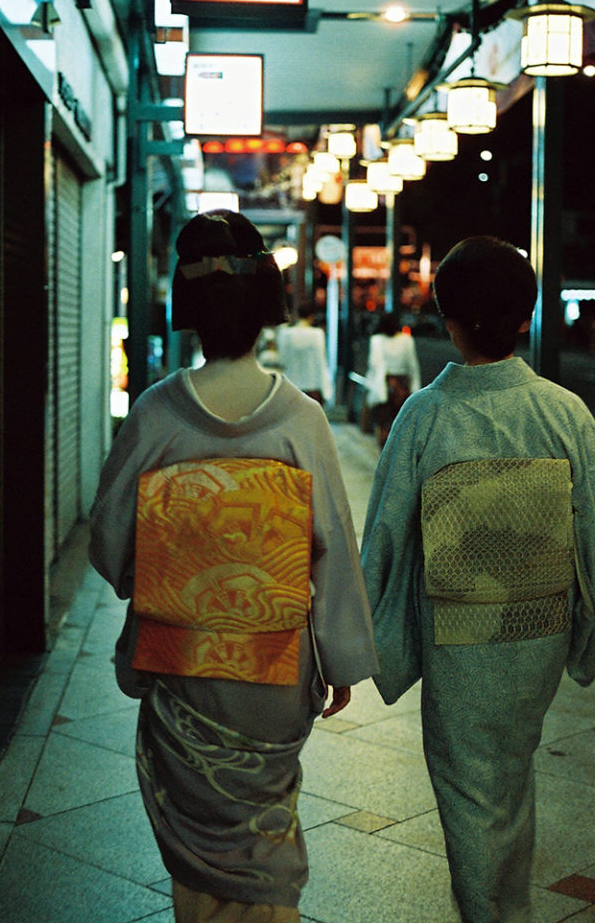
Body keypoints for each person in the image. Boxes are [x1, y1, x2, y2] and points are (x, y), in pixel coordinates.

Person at [89, 209, 378, 923]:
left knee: (195, 840)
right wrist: (339, 659)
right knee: (264, 819)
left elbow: (107, 539)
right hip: (275, 670)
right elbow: (334, 547)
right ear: (264, 312)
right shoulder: (300, 418)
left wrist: (164, 579)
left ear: (187, 313)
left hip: (181, 662)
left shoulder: (157, 414)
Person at [361, 235, 595, 923]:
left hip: (456, 632)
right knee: (510, 768)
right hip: (538, 628)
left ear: (445, 318)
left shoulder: (424, 415)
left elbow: (385, 538)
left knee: (466, 786)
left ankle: (492, 912)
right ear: (525, 319)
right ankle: (505, 904)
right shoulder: (561, 411)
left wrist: (348, 636)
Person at [364, 311, 421, 446]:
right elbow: (413, 366)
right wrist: (415, 389)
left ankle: (383, 453)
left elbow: (374, 365)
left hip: (383, 386)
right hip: (402, 388)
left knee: (382, 423)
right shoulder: (407, 340)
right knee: (400, 426)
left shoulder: (377, 340)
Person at [276, 300, 332, 404]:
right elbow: (320, 361)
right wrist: (326, 388)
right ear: (312, 316)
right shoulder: (316, 334)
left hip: (291, 384)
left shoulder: (285, 334)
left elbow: (282, 360)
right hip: (312, 385)